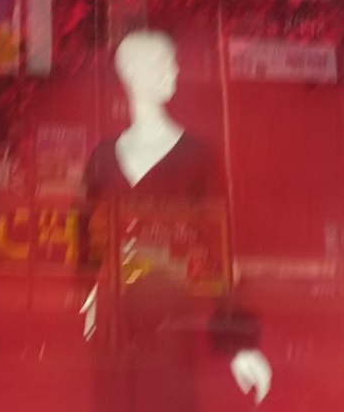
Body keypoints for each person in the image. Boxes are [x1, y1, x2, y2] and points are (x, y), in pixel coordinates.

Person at [81, 30, 271, 409]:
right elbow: (85, 244)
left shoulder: (197, 157)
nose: (174, 71)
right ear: (131, 72)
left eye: (174, 62)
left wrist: (238, 344)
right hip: (113, 330)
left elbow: (219, 249)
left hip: (175, 324)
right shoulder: (102, 159)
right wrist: (86, 300)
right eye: (161, 63)